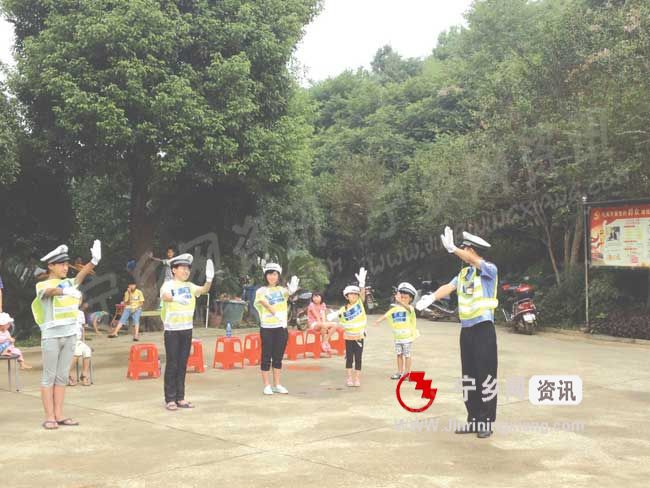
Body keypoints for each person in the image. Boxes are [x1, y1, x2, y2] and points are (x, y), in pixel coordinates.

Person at [416, 227, 499, 439]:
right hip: (467, 330)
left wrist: (453, 249)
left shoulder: (489, 269)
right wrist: (431, 297)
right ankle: (474, 419)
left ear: (472, 251)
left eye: (464, 249)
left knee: (486, 376)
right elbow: (448, 287)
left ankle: (486, 421)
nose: (462, 253)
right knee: (469, 377)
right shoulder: (464, 274)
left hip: (484, 329)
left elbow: (475, 261)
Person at [31, 241, 101, 430]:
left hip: (70, 335)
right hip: (52, 336)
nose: (65, 268)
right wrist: (64, 291)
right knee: (49, 377)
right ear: (51, 266)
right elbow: (49, 292)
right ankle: (49, 416)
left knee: (62, 376)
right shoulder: (42, 284)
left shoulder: (69, 282)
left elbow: (81, 275)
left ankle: (59, 414)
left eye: (66, 264)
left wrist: (94, 261)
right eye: (61, 264)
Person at [160, 254, 213, 411]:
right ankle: (170, 398)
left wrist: (209, 279)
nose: (186, 271)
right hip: (172, 331)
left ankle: (180, 397)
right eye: (182, 268)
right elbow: (165, 296)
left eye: (188, 269)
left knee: (182, 364)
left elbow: (203, 290)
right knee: (172, 364)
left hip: (186, 329)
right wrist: (176, 298)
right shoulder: (168, 284)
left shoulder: (190, 286)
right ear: (174, 270)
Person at [253, 262, 299, 396]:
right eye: (269, 274)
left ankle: (277, 384)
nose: (272, 277)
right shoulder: (261, 291)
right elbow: (263, 302)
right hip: (267, 327)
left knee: (278, 357)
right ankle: (266, 385)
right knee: (266, 356)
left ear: (278, 276)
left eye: (274, 274)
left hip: (281, 328)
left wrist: (292, 291)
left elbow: (292, 295)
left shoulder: (282, 290)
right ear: (265, 276)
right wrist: (274, 312)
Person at [328, 267, 368, 387]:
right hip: (348, 337)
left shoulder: (359, 304)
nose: (354, 296)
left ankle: (357, 378)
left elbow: (362, 295)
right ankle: (349, 378)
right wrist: (327, 338)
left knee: (358, 358)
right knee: (349, 358)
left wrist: (362, 284)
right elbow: (337, 324)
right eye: (351, 294)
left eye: (356, 294)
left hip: (359, 337)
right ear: (346, 296)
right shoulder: (343, 310)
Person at [373, 282, 419, 380]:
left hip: (407, 338)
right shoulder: (395, 309)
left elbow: (408, 308)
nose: (403, 299)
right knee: (399, 355)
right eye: (401, 297)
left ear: (411, 299)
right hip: (397, 338)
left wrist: (400, 301)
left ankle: (407, 373)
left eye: (405, 298)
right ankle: (399, 372)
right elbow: (386, 315)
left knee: (407, 355)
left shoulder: (410, 309)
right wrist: (378, 321)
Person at [69, 307, 92, 386]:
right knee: (77, 351)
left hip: (78, 340)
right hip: (69, 340)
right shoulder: (65, 312)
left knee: (87, 350)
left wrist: (83, 341)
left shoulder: (80, 313)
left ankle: (84, 375)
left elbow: (82, 328)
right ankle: (66, 373)